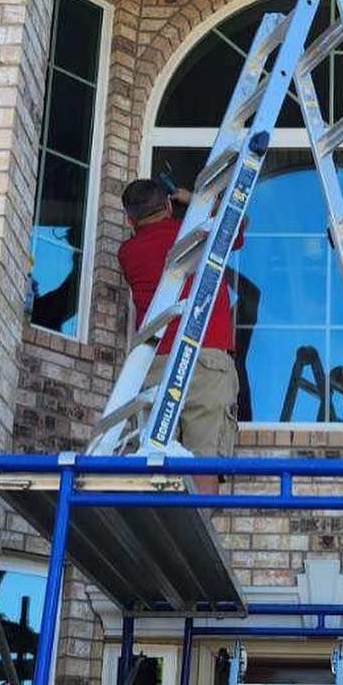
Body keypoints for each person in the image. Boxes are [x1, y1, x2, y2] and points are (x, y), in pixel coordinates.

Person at [117, 177, 240, 492]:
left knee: (157, 465)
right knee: (205, 460)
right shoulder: (197, 234)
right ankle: (197, 536)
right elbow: (236, 225)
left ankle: (160, 539)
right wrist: (194, 198)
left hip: (155, 363)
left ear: (130, 219)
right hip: (205, 359)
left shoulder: (128, 252)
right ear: (170, 205)